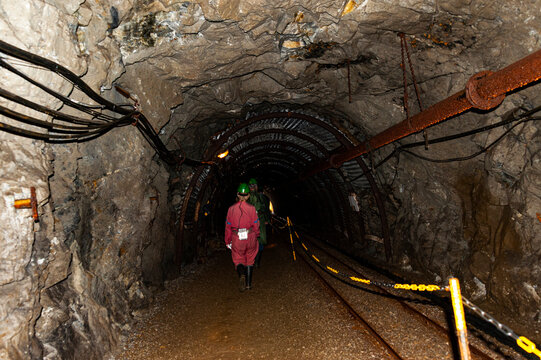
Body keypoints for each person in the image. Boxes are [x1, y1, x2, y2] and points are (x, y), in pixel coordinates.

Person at [224, 183, 260, 291]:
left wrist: (228, 240)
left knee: (238, 258)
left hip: (237, 237)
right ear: (248, 195)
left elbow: (228, 226)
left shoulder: (231, 209)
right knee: (250, 257)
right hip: (250, 236)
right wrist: (257, 234)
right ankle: (248, 284)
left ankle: (241, 274)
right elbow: (256, 224)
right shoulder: (252, 208)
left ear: (238, 195)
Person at [247, 178, 270, 268]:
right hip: (249, 221)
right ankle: (250, 261)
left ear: (256, 186)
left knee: (261, 240)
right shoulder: (246, 196)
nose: (252, 187)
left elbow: (266, 209)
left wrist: (267, 219)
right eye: (251, 185)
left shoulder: (261, 197)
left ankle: (257, 260)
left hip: (260, 220)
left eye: (254, 185)